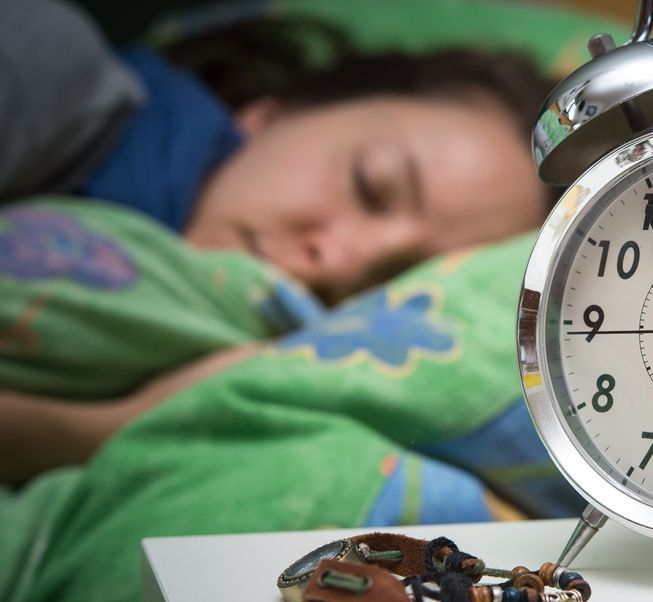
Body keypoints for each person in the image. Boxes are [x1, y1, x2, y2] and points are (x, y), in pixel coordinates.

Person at [0, 2, 559, 483]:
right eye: (370, 186)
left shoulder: (240, 368)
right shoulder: (51, 69)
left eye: (395, 279)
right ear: (273, 111)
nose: (343, 262)